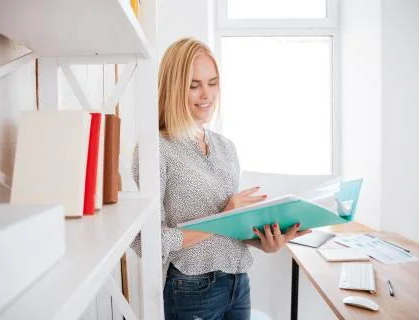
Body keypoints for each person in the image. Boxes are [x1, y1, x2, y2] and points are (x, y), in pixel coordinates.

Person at [132, 37, 311, 320]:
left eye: (212, 83)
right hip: (191, 290)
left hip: (238, 283)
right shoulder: (156, 149)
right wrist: (222, 218)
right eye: (194, 85)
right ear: (173, 88)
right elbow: (144, 241)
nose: (207, 94)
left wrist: (263, 241)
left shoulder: (227, 148)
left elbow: (231, 232)